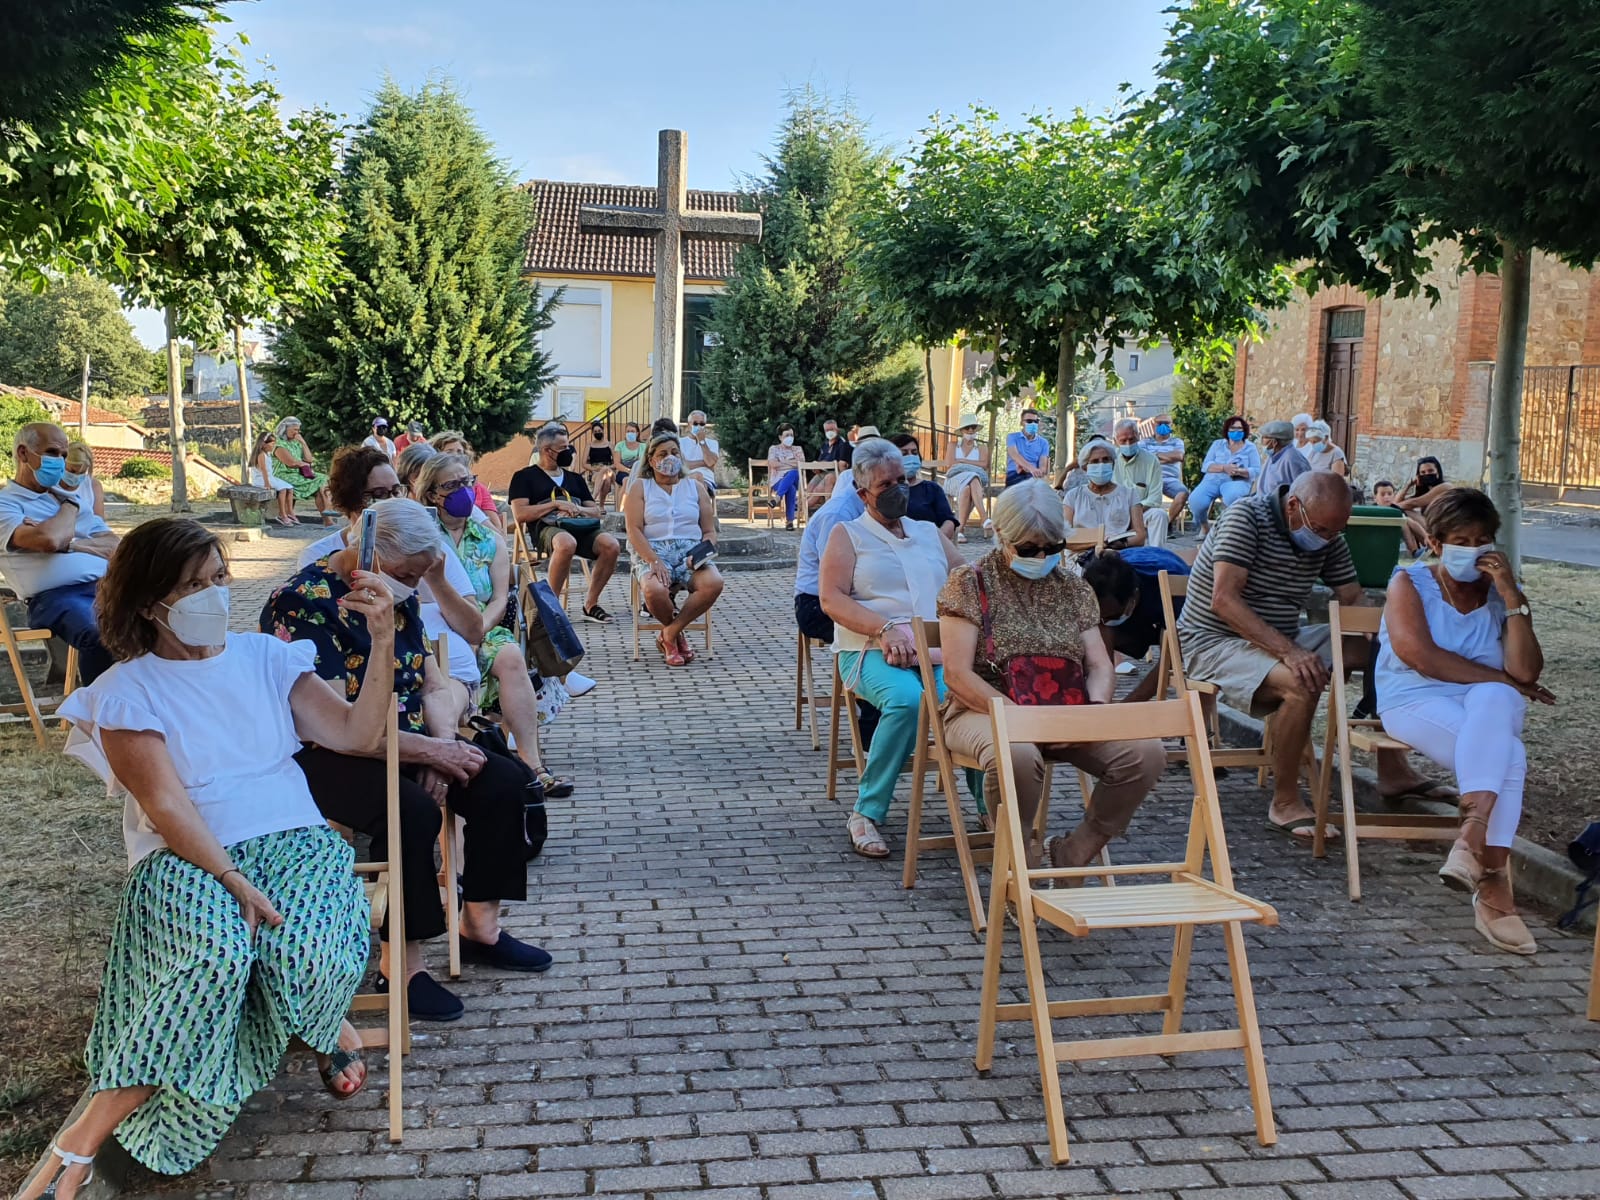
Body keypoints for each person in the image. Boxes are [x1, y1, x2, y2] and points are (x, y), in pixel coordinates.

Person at [33, 518, 386, 1197]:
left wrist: (382, 639)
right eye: (193, 586)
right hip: (186, 853)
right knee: (214, 958)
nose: (213, 596)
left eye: (219, 579)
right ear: (146, 603)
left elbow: (355, 732)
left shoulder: (265, 657)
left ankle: (319, 1011)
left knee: (305, 951)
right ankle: (96, 1134)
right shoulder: (124, 692)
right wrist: (231, 878)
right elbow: (166, 807)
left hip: (293, 838)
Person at [263, 499, 551, 1024]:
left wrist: (442, 748)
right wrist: (430, 752)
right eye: (407, 575)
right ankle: (402, 965)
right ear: (366, 552)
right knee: (412, 811)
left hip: (415, 741)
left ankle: (480, 927)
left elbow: (435, 683)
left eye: (420, 576)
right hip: (331, 753)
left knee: (507, 782)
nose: (413, 587)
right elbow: (334, 725)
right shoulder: (300, 604)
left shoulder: (398, 595)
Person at [1176, 471, 1441, 843]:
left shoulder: (1327, 533)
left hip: (1282, 635)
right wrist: (1290, 652)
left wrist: (1377, 630)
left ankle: (1392, 768)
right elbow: (1224, 601)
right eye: (1322, 529)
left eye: (1337, 531)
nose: (1329, 538)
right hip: (1214, 640)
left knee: (1386, 650)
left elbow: (1351, 596)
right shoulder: (1245, 517)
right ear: (1293, 506)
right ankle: (1284, 801)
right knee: (1302, 680)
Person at [938, 481, 1166, 870]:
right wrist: (1016, 717)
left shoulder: (1074, 588)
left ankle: (1079, 848)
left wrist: (1094, 709)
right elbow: (958, 674)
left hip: (1064, 709)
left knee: (1146, 753)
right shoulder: (969, 583)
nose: (1041, 556)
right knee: (1018, 752)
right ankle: (1018, 856)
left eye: (1052, 547)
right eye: (1029, 549)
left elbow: (1098, 664)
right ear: (1000, 535)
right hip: (984, 708)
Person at [1376, 488, 1554, 955]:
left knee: (1496, 697)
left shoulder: (1499, 595)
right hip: (1413, 698)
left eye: (1483, 540)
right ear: (1435, 543)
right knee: (1509, 754)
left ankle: (1470, 840)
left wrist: (1512, 594)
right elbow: (1421, 657)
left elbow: (1526, 672)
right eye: (1460, 539)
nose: (1473, 550)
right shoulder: (1408, 583)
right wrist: (1504, 681)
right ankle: (1494, 886)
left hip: (1483, 705)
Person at [819, 438, 965, 858]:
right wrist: (884, 629)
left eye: (903, 479)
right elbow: (831, 599)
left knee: (965, 698)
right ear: (863, 493)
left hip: (935, 650)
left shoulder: (927, 532)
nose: (900, 489)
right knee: (908, 700)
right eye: (887, 484)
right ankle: (866, 811)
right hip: (866, 649)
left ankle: (987, 806)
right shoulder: (846, 535)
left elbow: (967, 580)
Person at [415, 452, 577, 794]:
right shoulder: (418, 536)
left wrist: (478, 632)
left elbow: (500, 598)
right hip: (429, 631)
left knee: (510, 658)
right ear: (432, 494)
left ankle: (533, 765)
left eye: (468, 482)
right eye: (452, 485)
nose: (464, 490)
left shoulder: (489, 539)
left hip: (484, 627)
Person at [0, 421, 117, 684]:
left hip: (109, 586)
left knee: (168, 626)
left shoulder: (66, 499)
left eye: (64, 455)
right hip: (55, 597)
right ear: (23, 453)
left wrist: (72, 543)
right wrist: (69, 507)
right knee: (101, 635)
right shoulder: (6, 504)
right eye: (53, 453)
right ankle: (101, 717)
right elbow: (49, 539)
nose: (61, 462)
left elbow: (115, 546)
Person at [624, 432, 724, 667]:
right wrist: (653, 560)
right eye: (663, 454)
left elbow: (709, 532)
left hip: (691, 553)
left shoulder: (696, 487)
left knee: (714, 582)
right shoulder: (640, 487)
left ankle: (669, 633)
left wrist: (700, 553)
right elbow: (634, 530)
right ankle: (676, 636)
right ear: (651, 460)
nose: (670, 458)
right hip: (652, 551)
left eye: (674, 453)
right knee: (654, 590)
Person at [508, 425, 621, 624]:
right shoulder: (524, 477)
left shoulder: (574, 478)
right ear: (546, 451)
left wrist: (577, 509)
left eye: (568, 446)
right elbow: (520, 514)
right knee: (566, 543)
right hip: (548, 528)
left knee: (611, 545)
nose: (569, 452)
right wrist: (555, 504)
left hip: (581, 526)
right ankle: (551, 607)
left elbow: (595, 511)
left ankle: (591, 604)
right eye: (563, 448)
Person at [1081, 546, 1191, 702]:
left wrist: (1129, 705)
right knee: (1099, 634)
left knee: (1170, 647)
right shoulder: (1101, 578)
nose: (1106, 621)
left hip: (1172, 603)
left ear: (1133, 600)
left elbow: (1171, 658)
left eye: (1112, 615)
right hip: (1137, 599)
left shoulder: (1173, 590)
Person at [1062, 439, 1146, 549]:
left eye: (1106, 460)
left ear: (1113, 464)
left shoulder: (1129, 494)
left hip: (1119, 554)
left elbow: (1140, 535)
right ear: (1085, 468)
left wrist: (1123, 544)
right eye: (1095, 461)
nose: (1101, 465)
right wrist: (1099, 544)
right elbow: (1065, 539)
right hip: (1081, 556)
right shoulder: (1073, 496)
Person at [1187, 415, 1261, 536]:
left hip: (1237, 481)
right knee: (1196, 500)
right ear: (1227, 430)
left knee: (1233, 496)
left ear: (1244, 431)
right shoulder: (1217, 445)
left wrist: (1240, 471)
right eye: (1232, 429)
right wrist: (1223, 468)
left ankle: (1227, 530)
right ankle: (1204, 527)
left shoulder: (1250, 448)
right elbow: (1206, 466)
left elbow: (1256, 470)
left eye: (1239, 429)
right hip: (1213, 480)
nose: (1236, 432)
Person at [1110, 418, 1170, 546]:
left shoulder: (1151, 461)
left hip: (1142, 512)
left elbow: (1154, 498)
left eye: (1131, 439)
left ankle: (1156, 558)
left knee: (1160, 515)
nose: (1128, 443)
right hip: (1113, 515)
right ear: (1115, 441)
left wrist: (1134, 513)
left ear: (1138, 437)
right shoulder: (1109, 460)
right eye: (1123, 441)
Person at [429, 430, 503, 532]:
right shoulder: (430, 489)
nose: (456, 456)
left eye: (460, 452)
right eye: (449, 452)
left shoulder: (479, 489)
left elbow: (496, 529)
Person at [890, 433, 957, 540]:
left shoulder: (932, 489)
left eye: (914, 452)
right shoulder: (886, 491)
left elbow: (948, 521)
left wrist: (935, 541)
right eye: (904, 453)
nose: (910, 456)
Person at [268, 417, 333, 523]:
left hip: (298, 473)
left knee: (323, 480)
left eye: (298, 430)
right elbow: (291, 463)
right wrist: (303, 464)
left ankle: (328, 517)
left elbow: (309, 459)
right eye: (294, 430)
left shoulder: (296, 442)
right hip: (284, 474)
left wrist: (303, 443)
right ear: (285, 429)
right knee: (320, 481)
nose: (297, 433)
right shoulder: (278, 444)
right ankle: (328, 514)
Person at [941, 413, 992, 543]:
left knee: (967, 489)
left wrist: (962, 461)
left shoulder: (981, 447)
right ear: (962, 430)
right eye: (967, 428)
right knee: (974, 476)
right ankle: (984, 518)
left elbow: (985, 464)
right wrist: (971, 465)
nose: (970, 430)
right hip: (953, 480)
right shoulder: (953, 445)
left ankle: (960, 530)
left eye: (973, 427)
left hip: (970, 484)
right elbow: (950, 464)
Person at [1142, 413, 1190, 530]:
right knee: (1136, 495)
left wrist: (1155, 456)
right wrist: (1168, 457)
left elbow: (1179, 456)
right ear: (1154, 425)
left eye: (1166, 423)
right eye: (1160, 423)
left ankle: (1167, 523)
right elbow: (1143, 459)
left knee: (1183, 493)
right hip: (1150, 479)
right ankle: (1142, 525)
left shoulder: (1177, 442)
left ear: (1171, 425)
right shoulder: (1144, 442)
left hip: (1170, 480)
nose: (1163, 426)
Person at [1396, 455, 1447, 556]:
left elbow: (1412, 503)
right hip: (1432, 532)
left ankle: (1420, 550)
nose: (1427, 474)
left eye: (1430, 471)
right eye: (1423, 473)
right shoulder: (1425, 491)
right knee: (1402, 516)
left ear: (1438, 472)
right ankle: (1415, 551)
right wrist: (1409, 485)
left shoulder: (1444, 487)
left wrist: (1392, 507)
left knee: (1405, 513)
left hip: (1443, 532)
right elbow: (1397, 504)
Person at [246, 428, 297, 526]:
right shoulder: (261, 455)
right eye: (272, 443)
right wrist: (267, 483)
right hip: (261, 480)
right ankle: (282, 514)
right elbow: (263, 470)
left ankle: (290, 512)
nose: (274, 445)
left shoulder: (267, 454)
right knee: (282, 490)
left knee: (290, 488)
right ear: (264, 444)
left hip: (270, 477)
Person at [765, 423, 807, 530]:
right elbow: (773, 464)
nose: (790, 438)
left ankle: (778, 497)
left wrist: (782, 462)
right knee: (791, 489)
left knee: (793, 473)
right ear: (780, 437)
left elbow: (801, 463)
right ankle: (789, 522)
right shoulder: (774, 449)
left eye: (791, 435)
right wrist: (792, 462)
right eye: (787, 435)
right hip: (777, 480)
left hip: (795, 478)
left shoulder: (797, 449)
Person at [1256, 419, 1311, 496]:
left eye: (1264, 438)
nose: (1261, 441)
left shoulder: (1292, 459)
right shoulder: (1273, 456)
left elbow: (1304, 492)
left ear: (1274, 442)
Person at [1004, 406, 1051, 487]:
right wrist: (1030, 468)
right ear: (1021, 423)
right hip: (1014, 474)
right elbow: (1015, 455)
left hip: (1034, 476)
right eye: (1029, 421)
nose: (1033, 424)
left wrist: (1035, 471)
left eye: (1036, 421)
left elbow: (1043, 466)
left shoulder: (1043, 442)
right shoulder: (1012, 437)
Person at [680, 409, 720, 493]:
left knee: (698, 478)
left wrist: (702, 442)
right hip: (685, 478)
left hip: (706, 480)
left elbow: (710, 462)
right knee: (695, 478)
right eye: (695, 423)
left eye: (701, 424)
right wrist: (703, 463)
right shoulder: (680, 442)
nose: (698, 426)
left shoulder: (712, 443)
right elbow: (683, 465)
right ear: (688, 425)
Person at [63, 441, 106, 518]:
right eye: (72, 471)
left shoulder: (93, 486)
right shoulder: (50, 483)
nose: (76, 476)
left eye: (82, 472)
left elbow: (99, 520)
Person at [585, 420, 619, 511]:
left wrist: (606, 467)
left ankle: (593, 497)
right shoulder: (589, 445)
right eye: (595, 432)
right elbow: (583, 463)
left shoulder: (610, 445)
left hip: (610, 470)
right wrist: (595, 468)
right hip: (595, 472)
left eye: (599, 431)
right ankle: (601, 506)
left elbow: (616, 463)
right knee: (606, 478)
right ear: (592, 433)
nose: (598, 433)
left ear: (603, 431)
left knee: (606, 471)